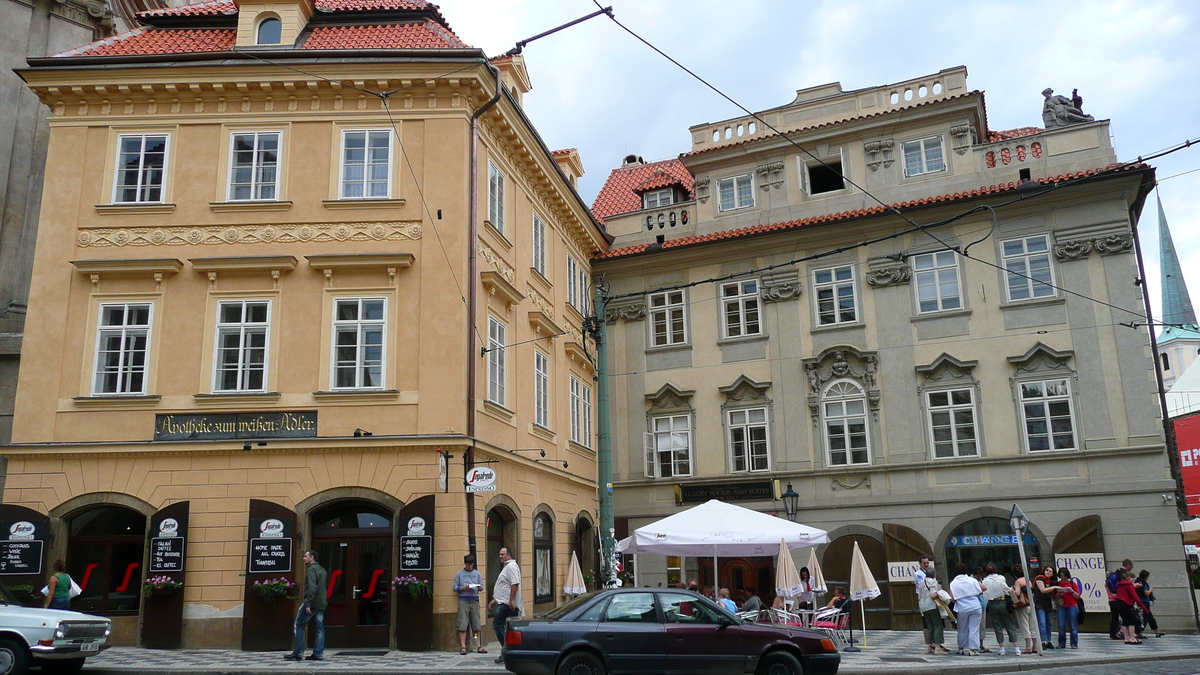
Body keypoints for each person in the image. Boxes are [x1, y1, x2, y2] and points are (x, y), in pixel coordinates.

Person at [284, 550, 327, 661]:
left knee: (299, 624)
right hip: (321, 602)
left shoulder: (311, 570)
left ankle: (298, 652)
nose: (304, 558)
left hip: (312, 602)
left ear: (312, 557)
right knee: (319, 628)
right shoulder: (322, 569)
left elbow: (312, 588)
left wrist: (308, 603)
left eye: (305, 556)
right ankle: (318, 654)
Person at [488, 547, 522, 665]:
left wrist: (511, 600)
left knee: (497, 625)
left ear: (509, 555)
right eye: (499, 554)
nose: (500, 556)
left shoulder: (511, 567)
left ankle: (507, 649)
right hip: (504, 602)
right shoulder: (507, 567)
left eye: (503, 554)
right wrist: (495, 600)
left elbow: (514, 584)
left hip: (507, 604)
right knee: (508, 629)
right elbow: (504, 586)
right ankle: (507, 652)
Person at [915, 558, 950, 655]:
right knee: (937, 625)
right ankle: (938, 648)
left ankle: (928, 647)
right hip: (932, 606)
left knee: (929, 626)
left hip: (923, 607)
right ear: (934, 574)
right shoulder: (933, 582)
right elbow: (933, 595)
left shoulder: (922, 582)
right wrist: (941, 594)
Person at [982, 563, 1019, 655]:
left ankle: (1001, 648)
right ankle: (1016, 647)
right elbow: (1005, 589)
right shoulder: (1001, 578)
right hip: (1003, 602)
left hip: (992, 603)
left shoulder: (985, 580)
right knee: (1010, 624)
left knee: (997, 626)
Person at [949, 562, 984, 655]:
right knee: (974, 628)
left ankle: (961, 648)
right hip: (975, 606)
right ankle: (973, 649)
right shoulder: (972, 580)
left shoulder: (953, 583)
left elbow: (952, 599)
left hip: (962, 607)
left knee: (962, 628)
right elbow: (984, 588)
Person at [453, 554, 484, 655]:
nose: (470, 566)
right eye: (468, 565)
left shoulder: (477, 574)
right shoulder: (459, 574)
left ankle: (476, 646)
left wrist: (479, 587)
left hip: (474, 600)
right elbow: (455, 588)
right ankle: (463, 647)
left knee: (476, 624)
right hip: (463, 600)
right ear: (465, 564)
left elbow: (481, 586)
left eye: (471, 564)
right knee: (462, 624)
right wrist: (462, 588)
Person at [1010, 564, 1037, 656]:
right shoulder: (1028, 580)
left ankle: (1028, 647)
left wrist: (1012, 590)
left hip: (1023, 605)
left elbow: (1017, 593)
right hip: (1031, 604)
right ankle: (1035, 646)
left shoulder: (1018, 581)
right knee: (1032, 626)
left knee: (1024, 626)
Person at [1113, 570, 1147, 644]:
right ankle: (1132, 638)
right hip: (1126, 604)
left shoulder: (1120, 585)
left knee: (1125, 622)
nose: (1133, 581)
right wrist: (1144, 608)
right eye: (1133, 579)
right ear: (1130, 578)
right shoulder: (1129, 585)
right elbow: (1135, 597)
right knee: (1132, 621)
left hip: (1118, 603)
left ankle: (1126, 638)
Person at [1106, 558, 1134, 640]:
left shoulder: (1115, 573)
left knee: (1114, 617)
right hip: (1120, 599)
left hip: (1111, 600)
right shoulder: (1123, 574)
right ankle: (1128, 636)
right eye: (1132, 565)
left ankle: (1113, 634)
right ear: (1128, 565)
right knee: (1126, 618)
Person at [1056, 567, 1082, 649]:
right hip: (1062, 606)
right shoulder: (1057, 584)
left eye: (1064, 576)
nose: (1063, 578)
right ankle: (1061, 643)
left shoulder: (1072, 583)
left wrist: (1072, 591)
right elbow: (1054, 597)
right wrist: (1059, 594)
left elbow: (1078, 597)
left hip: (1072, 606)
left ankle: (1074, 643)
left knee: (1073, 625)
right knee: (1061, 625)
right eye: (1061, 576)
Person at [1033, 565, 1058, 650]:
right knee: (1042, 623)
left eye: (1050, 571)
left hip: (1048, 603)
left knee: (1049, 624)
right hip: (1040, 603)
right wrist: (1054, 587)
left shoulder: (1051, 582)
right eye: (1047, 570)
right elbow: (1043, 590)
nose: (1048, 572)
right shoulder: (1040, 579)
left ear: (1053, 574)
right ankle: (1042, 641)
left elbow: (1052, 595)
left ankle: (1048, 641)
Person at [1135, 570, 1165, 637]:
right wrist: (1151, 590)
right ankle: (1139, 631)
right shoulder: (1144, 583)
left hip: (1139, 601)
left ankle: (1156, 631)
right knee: (1145, 617)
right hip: (1144, 602)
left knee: (1150, 617)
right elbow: (1146, 593)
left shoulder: (1137, 582)